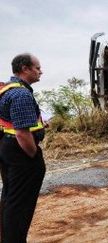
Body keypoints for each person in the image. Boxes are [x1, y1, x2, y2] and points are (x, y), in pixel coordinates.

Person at [0, 53, 46, 242]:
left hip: (7, 149)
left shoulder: (7, 90)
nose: (40, 72)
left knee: (10, 199)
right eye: (37, 68)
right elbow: (21, 133)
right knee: (20, 205)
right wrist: (33, 154)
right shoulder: (21, 94)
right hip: (21, 154)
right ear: (25, 69)